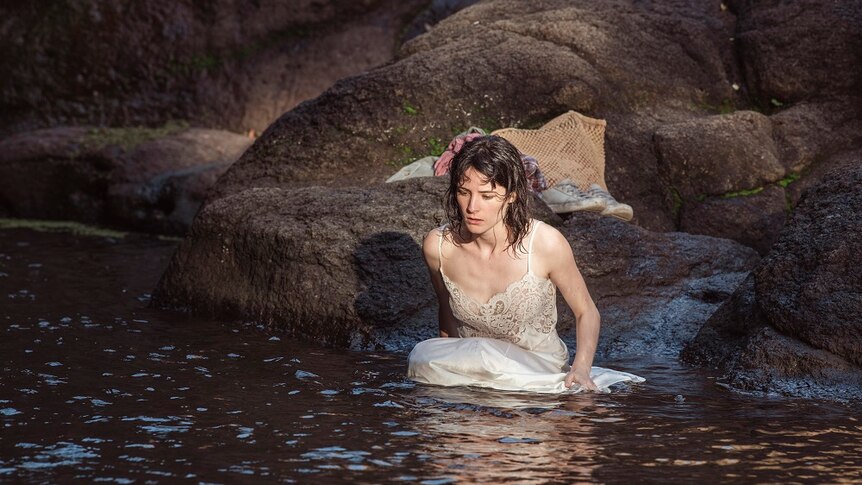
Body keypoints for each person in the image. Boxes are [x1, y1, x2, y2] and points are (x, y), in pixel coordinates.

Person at [407, 135, 643, 393]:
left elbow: (587, 312)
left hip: (536, 369)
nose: (472, 207)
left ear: (511, 196)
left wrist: (581, 368)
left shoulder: (545, 244)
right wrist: (451, 374)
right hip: (473, 370)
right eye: (464, 193)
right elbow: (447, 312)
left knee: (485, 357)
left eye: (487, 196)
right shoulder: (438, 246)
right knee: (422, 355)